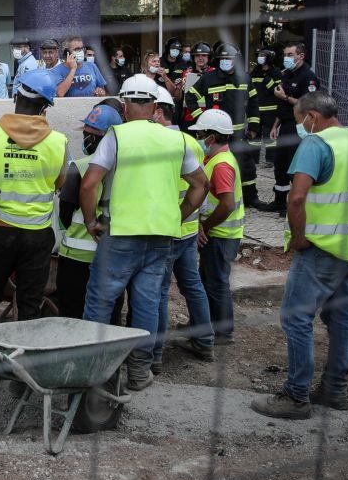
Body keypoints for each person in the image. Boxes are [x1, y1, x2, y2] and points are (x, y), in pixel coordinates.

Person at [252, 91, 348, 419]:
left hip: (321, 248)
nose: (300, 127)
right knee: (340, 317)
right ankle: (335, 390)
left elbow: (296, 199)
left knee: (295, 317)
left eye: (300, 121)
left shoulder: (316, 144)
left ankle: (296, 396)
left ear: (312, 117)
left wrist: (299, 238)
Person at [80, 75, 209, 390]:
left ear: (124, 104)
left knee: (100, 301)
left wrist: (90, 221)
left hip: (121, 234)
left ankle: (92, 368)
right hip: (160, 237)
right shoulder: (176, 140)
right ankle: (140, 370)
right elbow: (200, 185)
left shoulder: (117, 136)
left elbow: (89, 183)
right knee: (148, 302)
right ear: (155, 106)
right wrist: (177, 216)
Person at [0, 69, 68, 327]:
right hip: (38, 236)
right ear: (45, 107)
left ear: (16, 96)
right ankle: (24, 359)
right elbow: (60, 184)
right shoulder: (58, 142)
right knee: (29, 301)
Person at [149, 88, 216, 370]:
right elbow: (198, 184)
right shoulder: (190, 141)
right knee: (192, 285)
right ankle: (206, 341)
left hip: (168, 229)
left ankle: (156, 354)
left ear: (158, 111)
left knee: (160, 292)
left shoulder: (157, 143)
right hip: (188, 228)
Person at [56, 104, 122, 320]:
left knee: (73, 311)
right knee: (110, 311)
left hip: (76, 255)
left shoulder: (80, 167)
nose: (84, 137)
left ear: (98, 138)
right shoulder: (126, 167)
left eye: (87, 134)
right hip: (114, 253)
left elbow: (65, 214)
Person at [185, 42, 267, 211]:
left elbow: (253, 103)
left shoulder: (244, 78)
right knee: (216, 166)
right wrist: (202, 119)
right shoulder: (208, 78)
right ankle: (215, 198)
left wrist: (253, 125)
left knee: (246, 166)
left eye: (229, 58)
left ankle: (251, 197)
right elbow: (190, 96)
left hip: (238, 132)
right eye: (222, 59)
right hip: (216, 135)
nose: (225, 61)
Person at [190, 109, 246, 346]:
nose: (199, 138)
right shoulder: (217, 159)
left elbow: (227, 204)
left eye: (201, 134)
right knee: (210, 280)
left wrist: (206, 226)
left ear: (211, 137)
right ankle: (207, 326)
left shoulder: (221, 165)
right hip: (220, 233)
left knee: (216, 283)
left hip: (221, 234)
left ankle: (222, 332)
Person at [266, 42, 321, 214]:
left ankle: (295, 204)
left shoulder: (308, 77)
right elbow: (280, 105)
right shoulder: (286, 75)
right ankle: (279, 201)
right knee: (280, 164)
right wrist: (275, 125)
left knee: (294, 166)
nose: (286, 58)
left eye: (290, 55)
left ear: (300, 56)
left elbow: (309, 105)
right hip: (284, 125)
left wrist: (286, 96)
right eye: (285, 55)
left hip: (300, 127)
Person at [249, 47, 281, 171]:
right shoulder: (255, 71)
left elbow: (276, 90)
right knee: (254, 134)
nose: (260, 58)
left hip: (270, 109)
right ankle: (253, 158)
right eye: (259, 55)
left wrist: (266, 77)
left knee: (269, 135)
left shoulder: (276, 72)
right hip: (256, 109)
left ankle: (270, 160)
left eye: (262, 55)